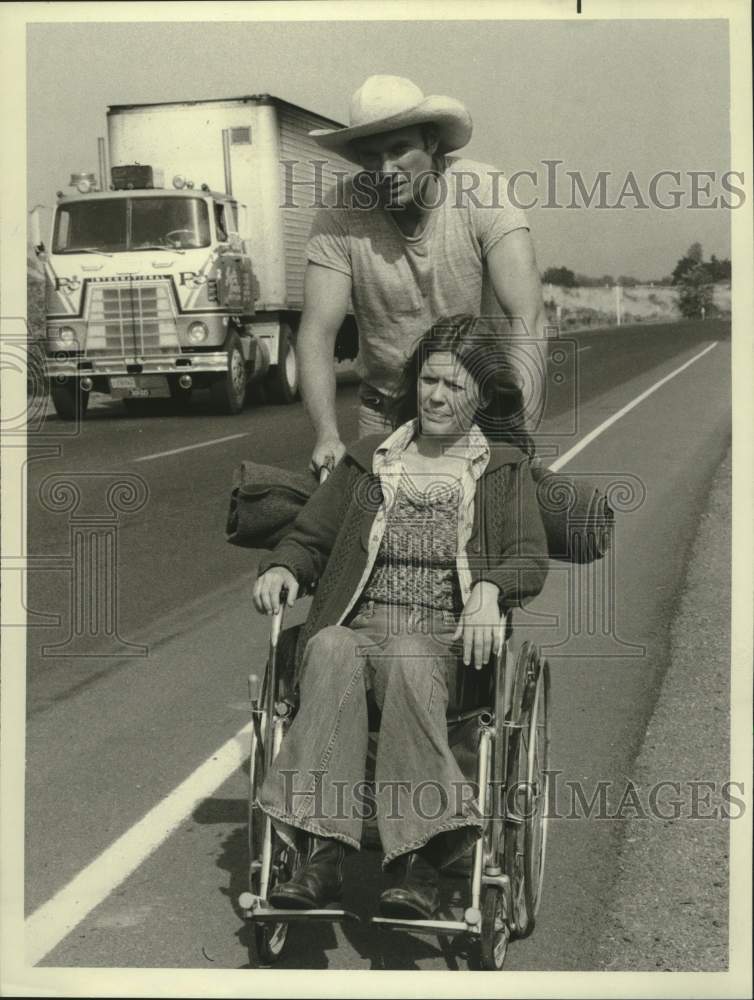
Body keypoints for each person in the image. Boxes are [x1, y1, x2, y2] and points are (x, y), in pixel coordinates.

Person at [252, 315, 549, 918]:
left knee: (410, 655)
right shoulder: (370, 461)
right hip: (362, 627)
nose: (437, 396)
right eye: (429, 380)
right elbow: (310, 538)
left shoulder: (502, 470)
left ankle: (419, 861)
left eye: (455, 386)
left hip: (445, 640)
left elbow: (529, 557)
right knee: (330, 646)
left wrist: (492, 587)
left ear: (483, 395)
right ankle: (321, 854)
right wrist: (284, 566)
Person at [297, 74, 547, 472]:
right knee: (368, 527)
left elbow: (528, 317)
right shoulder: (340, 210)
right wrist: (327, 434)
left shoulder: (482, 191)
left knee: (494, 525)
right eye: (371, 155)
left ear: (431, 142)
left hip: (475, 405)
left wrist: (521, 435)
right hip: (386, 409)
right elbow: (316, 332)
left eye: (399, 150)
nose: (386, 169)